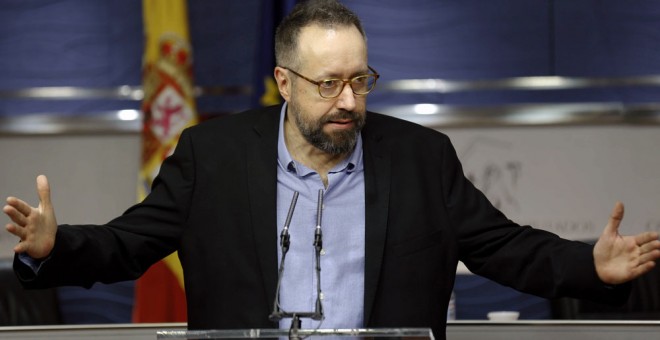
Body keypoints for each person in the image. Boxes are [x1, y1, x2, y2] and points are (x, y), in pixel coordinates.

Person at [3, 0, 660, 339]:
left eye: (361, 80)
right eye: (329, 84)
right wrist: (55, 247)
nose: (349, 100)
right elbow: (129, 244)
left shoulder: (419, 157)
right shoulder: (214, 156)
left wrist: (589, 268)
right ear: (284, 82)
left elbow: (503, 248)